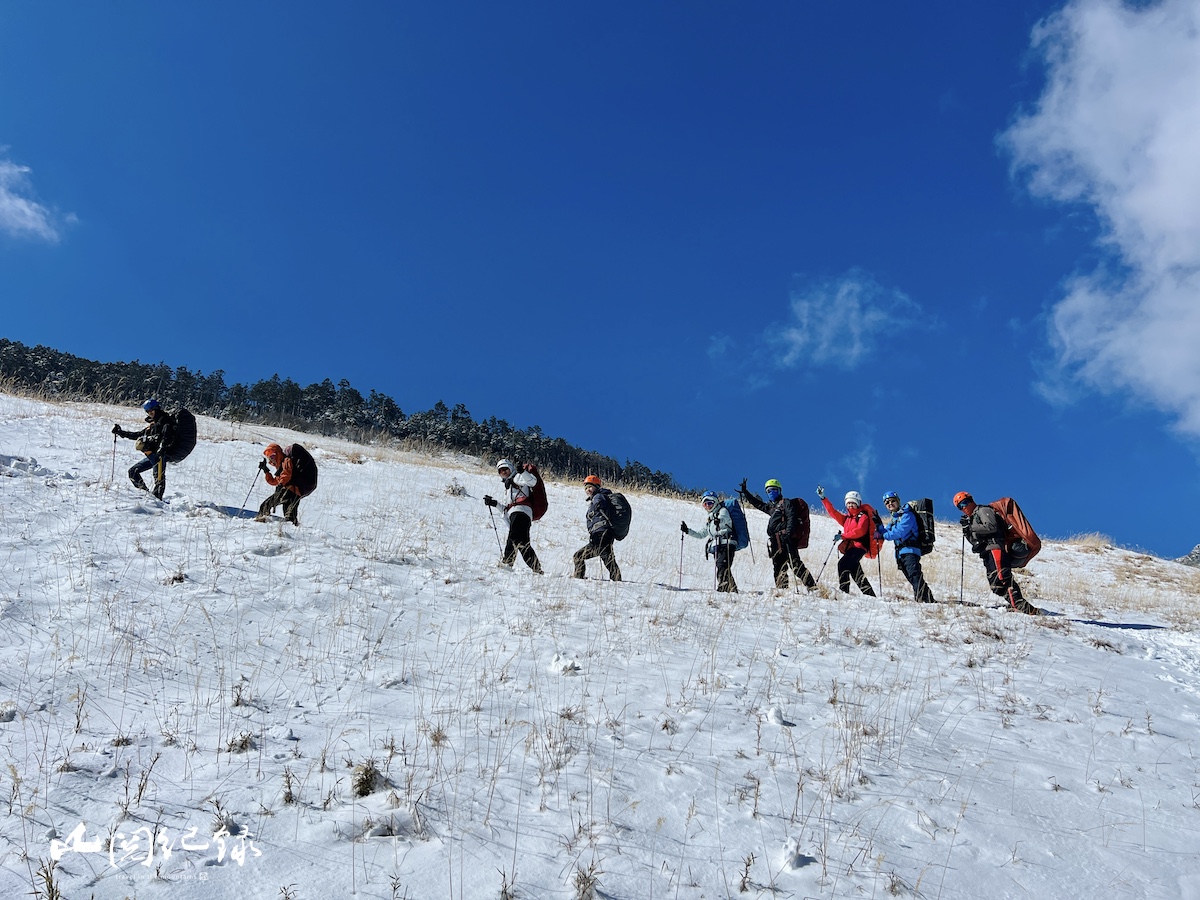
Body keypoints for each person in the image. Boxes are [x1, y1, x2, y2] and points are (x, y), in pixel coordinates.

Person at [954, 491, 1040, 615]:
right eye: (960, 506)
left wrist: (972, 527)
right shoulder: (972, 518)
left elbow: (991, 526)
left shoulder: (982, 510)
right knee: (996, 585)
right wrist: (967, 530)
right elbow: (975, 541)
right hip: (987, 553)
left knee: (1002, 578)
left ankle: (1023, 607)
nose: (964, 507)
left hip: (995, 548)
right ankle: (1019, 605)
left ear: (971, 500)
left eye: (965, 503)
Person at [739, 478, 816, 590]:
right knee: (778, 566)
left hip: (786, 538)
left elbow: (792, 517)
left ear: (779, 490)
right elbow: (758, 504)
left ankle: (812, 587)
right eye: (768, 491)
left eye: (774, 490)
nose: (771, 493)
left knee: (795, 564)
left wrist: (788, 534)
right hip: (775, 540)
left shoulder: (786, 503)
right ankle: (782, 590)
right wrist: (745, 492)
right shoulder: (771, 508)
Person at [484, 459, 544, 574]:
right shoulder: (508, 487)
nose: (503, 472)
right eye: (500, 471)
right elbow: (508, 508)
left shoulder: (517, 477)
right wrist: (495, 504)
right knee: (522, 542)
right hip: (517, 514)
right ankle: (537, 568)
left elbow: (533, 482)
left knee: (514, 537)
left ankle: (508, 562)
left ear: (510, 468)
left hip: (521, 512)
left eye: (505, 469)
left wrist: (522, 472)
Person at [876, 491, 935, 603]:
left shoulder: (907, 515)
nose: (890, 503)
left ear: (898, 501)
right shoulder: (894, 519)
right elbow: (887, 531)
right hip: (901, 553)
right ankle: (928, 599)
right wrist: (879, 525)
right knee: (912, 576)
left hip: (910, 550)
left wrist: (883, 535)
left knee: (914, 574)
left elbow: (899, 532)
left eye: (892, 501)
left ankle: (922, 600)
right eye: (887, 502)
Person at [817, 486, 877, 596]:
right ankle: (870, 595)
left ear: (858, 503)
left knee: (843, 564)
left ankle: (844, 592)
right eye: (848, 503)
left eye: (853, 503)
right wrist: (823, 498)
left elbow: (860, 531)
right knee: (855, 571)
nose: (850, 505)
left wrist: (843, 536)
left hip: (860, 547)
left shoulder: (863, 516)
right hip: (853, 548)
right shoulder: (847, 519)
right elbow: (833, 512)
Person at [112, 399, 176, 500]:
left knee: (159, 480)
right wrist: (121, 433)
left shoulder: (165, 422)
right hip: (152, 455)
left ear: (156, 409)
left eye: (151, 411)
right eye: (148, 412)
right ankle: (147, 497)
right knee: (133, 472)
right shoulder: (153, 425)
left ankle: (157, 502)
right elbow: (138, 435)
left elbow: (167, 437)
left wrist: (162, 449)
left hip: (160, 456)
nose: (149, 414)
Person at [682, 490, 739, 593]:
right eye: (705, 504)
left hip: (727, 542)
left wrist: (719, 520)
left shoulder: (722, 511)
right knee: (722, 566)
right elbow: (701, 534)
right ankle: (732, 590)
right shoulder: (710, 519)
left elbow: (725, 519)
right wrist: (687, 531)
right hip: (717, 545)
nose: (707, 506)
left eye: (710, 503)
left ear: (715, 502)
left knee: (722, 565)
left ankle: (723, 588)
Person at [571, 475, 622, 581]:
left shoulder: (598, 497)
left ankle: (578, 579)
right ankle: (617, 581)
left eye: (590, 487)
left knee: (578, 556)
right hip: (605, 534)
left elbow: (603, 508)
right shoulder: (599, 497)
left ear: (597, 487)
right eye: (586, 488)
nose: (587, 490)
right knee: (609, 561)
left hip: (600, 534)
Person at [255, 443, 318, 526]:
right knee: (290, 518)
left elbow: (286, 475)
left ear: (278, 453)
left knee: (266, 505)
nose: (272, 458)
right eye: (269, 457)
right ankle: (294, 534)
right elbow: (275, 481)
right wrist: (266, 471)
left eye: (273, 455)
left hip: (290, 490)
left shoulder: (286, 461)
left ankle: (260, 525)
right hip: (294, 492)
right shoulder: (282, 464)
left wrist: (281, 484)